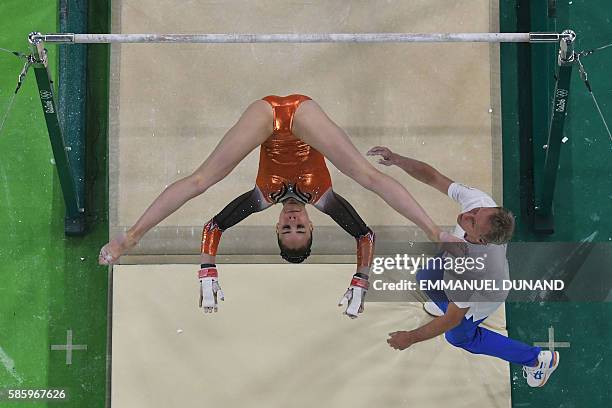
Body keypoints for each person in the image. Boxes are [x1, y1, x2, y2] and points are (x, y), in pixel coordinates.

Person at [99, 95, 457, 316]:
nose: (292, 220)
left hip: (266, 117)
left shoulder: (261, 197)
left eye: (287, 229)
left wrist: (208, 269)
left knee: (201, 180)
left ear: (276, 227)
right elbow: (364, 235)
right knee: (368, 177)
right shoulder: (325, 199)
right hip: (304, 118)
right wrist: (361, 278)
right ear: (313, 225)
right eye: (300, 227)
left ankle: (129, 238)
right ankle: (434, 229)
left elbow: (214, 227)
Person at [369, 146, 559, 388]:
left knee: (457, 336)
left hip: (485, 294)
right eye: (476, 212)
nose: (467, 215)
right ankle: (447, 304)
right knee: (426, 277)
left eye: (472, 221)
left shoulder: (470, 269)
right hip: (458, 262)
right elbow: (434, 177)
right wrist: (397, 159)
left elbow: (451, 320)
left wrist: (410, 337)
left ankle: (537, 360)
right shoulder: (479, 203)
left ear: (481, 239)